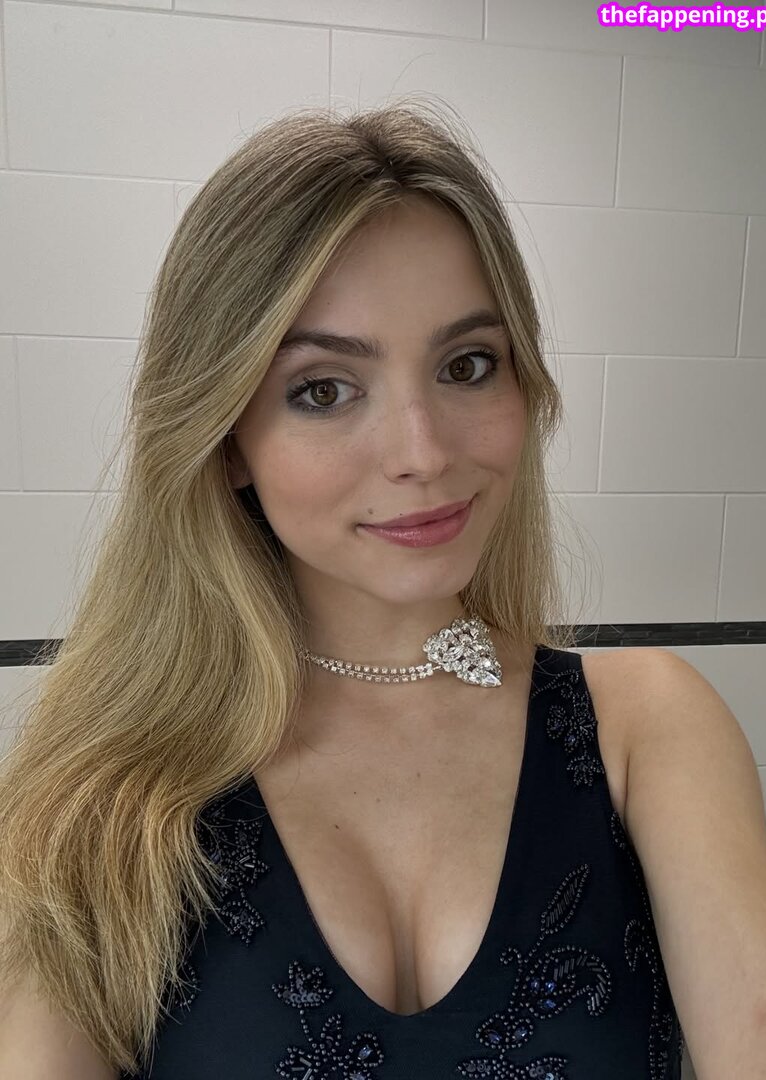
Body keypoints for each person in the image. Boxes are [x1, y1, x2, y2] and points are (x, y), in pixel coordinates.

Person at [0, 99, 689, 1078]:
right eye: (323, 389)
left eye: (467, 365)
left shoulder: (645, 727)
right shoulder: (99, 801)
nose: (422, 452)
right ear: (225, 438)